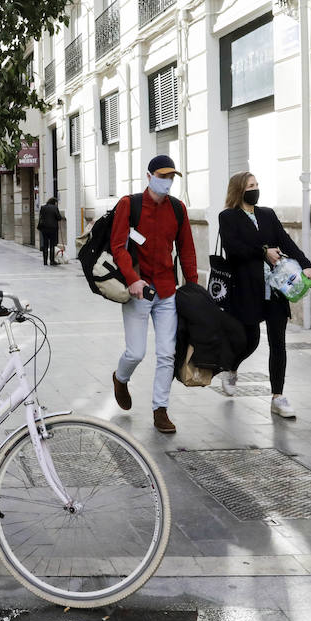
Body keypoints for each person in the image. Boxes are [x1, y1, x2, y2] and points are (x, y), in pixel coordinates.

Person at [215, 172, 311, 419]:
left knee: (278, 343)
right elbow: (234, 249)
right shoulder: (228, 217)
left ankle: (278, 397)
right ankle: (231, 368)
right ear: (239, 190)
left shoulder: (267, 214)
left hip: (275, 289)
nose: (256, 189)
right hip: (247, 288)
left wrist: (307, 265)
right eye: (251, 186)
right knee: (250, 340)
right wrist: (263, 252)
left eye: (257, 185)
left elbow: (286, 242)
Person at [110, 155, 197, 433]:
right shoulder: (129, 205)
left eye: (171, 177)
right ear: (149, 177)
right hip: (139, 292)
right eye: (162, 176)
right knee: (136, 353)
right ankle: (120, 378)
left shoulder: (177, 209)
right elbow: (118, 247)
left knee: (167, 354)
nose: (167, 182)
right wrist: (133, 279)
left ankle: (160, 409)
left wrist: (192, 286)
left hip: (167, 291)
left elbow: (186, 250)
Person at [36, 197, 62, 266]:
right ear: (54, 202)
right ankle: (52, 261)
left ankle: (45, 262)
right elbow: (59, 217)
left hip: (44, 229)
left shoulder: (43, 207)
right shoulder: (55, 208)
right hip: (53, 229)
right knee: (52, 245)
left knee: (45, 245)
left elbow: (41, 217)